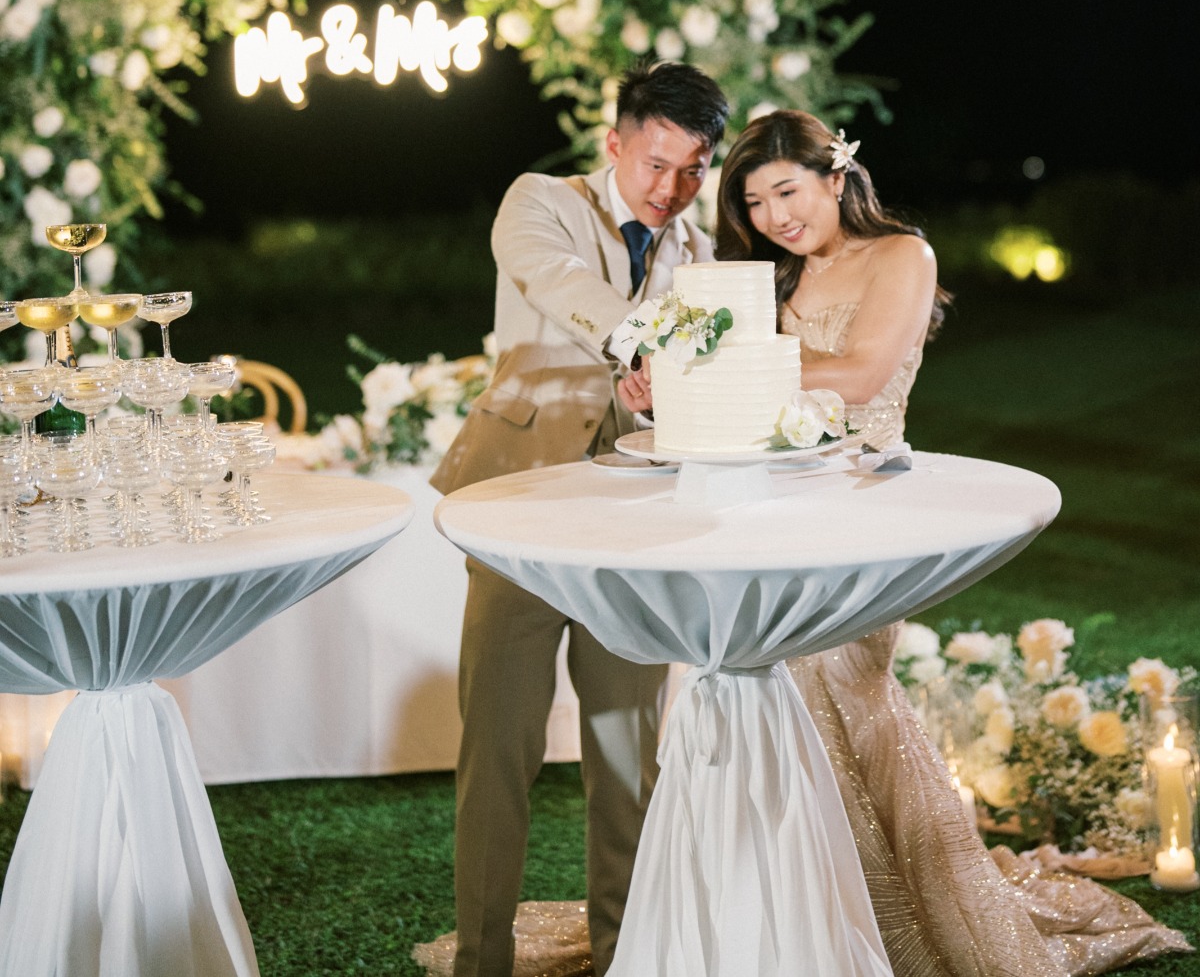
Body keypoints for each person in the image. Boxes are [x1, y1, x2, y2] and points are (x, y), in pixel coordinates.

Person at [714, 108, 1189, 977]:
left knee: (848, 703)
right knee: (763, 711)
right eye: (753, 202)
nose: (775, 215)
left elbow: (859, 373)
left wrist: (716, 368)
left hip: (857, 523)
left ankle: (883, 926)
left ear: (834, 175)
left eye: (786, 189)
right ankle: (786, 924)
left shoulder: (902, 255)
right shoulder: (769, 278)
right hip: (771, 522)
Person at [429, 60, 729, 977]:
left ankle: (625, 955)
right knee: (499, 754)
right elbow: (554, 280)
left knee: (625, 755)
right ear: (615, 142)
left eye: (692, 172)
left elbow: (706, 378)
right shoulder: (541, 202)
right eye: (654, 164)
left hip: (636, 529)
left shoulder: (702, 254)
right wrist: (640, 338)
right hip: (520, 510)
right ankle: (483, 959)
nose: (670, 190)